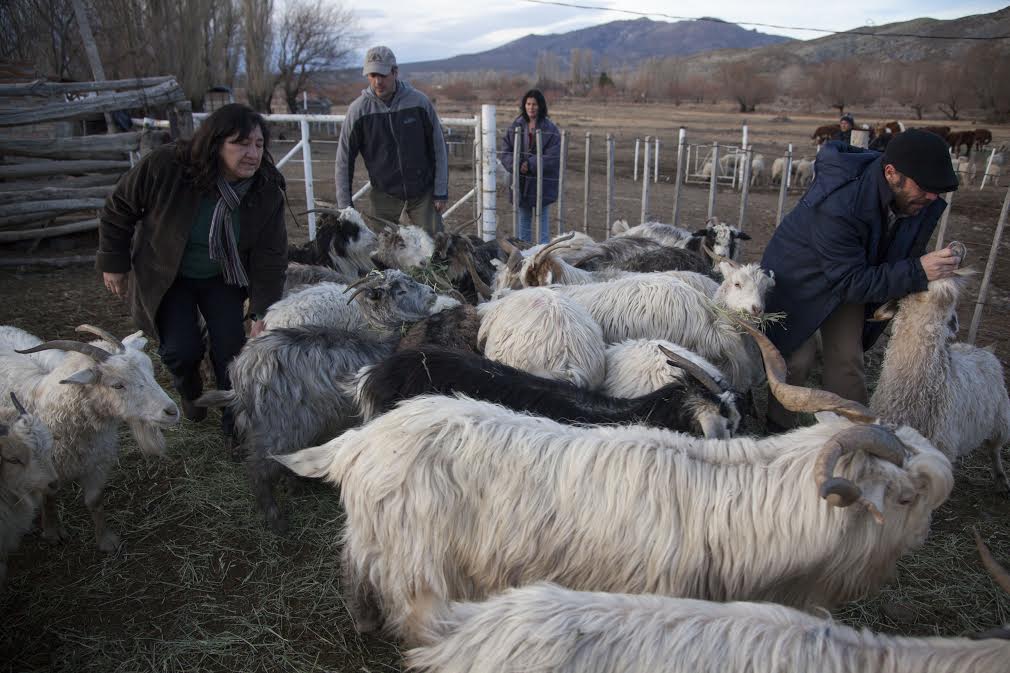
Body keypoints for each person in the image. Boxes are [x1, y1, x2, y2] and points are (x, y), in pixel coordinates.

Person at [96, 103, 288, 452]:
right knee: (181, 350)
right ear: (216, 143)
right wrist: (114, 261)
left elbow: (270, 255)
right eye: (241, 143)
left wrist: (263, 310)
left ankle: (236, 424)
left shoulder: (265, 188)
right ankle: (190, 392)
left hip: (224, 276)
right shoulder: (167, 166)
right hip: (168, 273)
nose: (253, 154)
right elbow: (118, 208)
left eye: (259, 145)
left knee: (232, 350)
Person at [760, 129, 960, 431]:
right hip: (797, 279)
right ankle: (777, 430)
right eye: (926, 187)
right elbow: (852, 281)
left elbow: (894, 251)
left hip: (852, 276)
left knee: (847, 360)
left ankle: (858, 437)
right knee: (796, 361)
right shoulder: (840, 204)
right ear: (891, 173)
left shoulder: (916, 199)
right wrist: (919, 271)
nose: (933, 196)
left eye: (937, 189)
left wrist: (931, 264)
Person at [335, 45, 448, 234]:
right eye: (372, 76)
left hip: (423, 193)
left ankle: (433, 263)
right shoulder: (358, 110)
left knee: (434, 248)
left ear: (395, 72)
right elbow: (343, 160)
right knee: (382, 253)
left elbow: (438, 147)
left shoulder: (419, 103)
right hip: (384, 194)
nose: (377, 81)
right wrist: (345, 206)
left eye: (383, 75)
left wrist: (440, 191)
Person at [500, 89, 561, 244]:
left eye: (534, 104)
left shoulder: (550, 129)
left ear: (540, 106)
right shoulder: (516, 126)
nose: (531, 107)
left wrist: (531, 164)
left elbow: (552, 155)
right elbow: (505, 151)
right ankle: (525, 256)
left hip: (542, 184)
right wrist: (518, 165)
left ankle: (543, 257)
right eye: (528, 104)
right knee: (524, 224)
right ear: (524, 105)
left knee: (543, 224)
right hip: (521, 183)